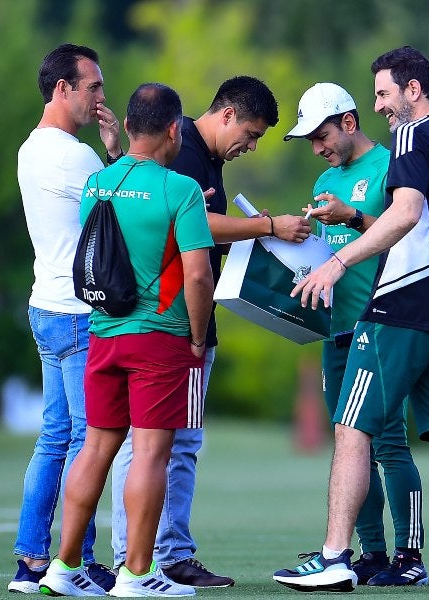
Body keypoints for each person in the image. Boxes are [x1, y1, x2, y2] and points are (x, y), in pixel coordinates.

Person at [273, 46, 429, 594]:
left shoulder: (411, 136)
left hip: (400, 309)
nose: (379, 107)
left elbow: (406, 212)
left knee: (353, 427)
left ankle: (333, 557)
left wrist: (338, 260)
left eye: (383, 93)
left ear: (412, 90)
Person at [109, 75, 311, 587]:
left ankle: (156, 553)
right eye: (252, 132)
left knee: (172, 442)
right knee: (161, 445)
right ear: (225, 115)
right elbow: (194, 223)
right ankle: (151, 556)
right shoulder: (184, 153)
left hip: (174, 320)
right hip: (176, 322)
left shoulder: (205, 158)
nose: (252, 145)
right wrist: (269, 226)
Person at [37, 82, 214, 597]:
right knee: (152, 454)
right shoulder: (179, 189)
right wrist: (198, 340)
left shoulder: (99, 182)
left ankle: (64, 568)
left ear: (130, 126)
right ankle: (137, 575)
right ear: (174, 130)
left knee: (94, 448)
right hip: (160, 339)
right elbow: (198, 277)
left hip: (103, 334)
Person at [283, 82, 427, 586]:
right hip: (335, 329)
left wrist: (354, 217)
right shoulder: (327, 177)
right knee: (350, 442)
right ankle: (370, 553)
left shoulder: (391, 164)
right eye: (309, 142)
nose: (317, 148)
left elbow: (407, 229)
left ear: (348, 122)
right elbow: (332, 253)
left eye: (320, 135)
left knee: (388, 444)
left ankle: (411, 557)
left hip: (381, 323)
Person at [10, 42, 122, 594]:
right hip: (79, 314)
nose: (101, 97)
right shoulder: (74, 157)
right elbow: (124, 209)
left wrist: (104, 151)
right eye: (93, 87)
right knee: (88, 440)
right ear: (64, 89)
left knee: (54, 438)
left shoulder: (31, 149)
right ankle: (73, 561)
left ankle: (31, 561)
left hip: (44, 305)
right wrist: (115, 150)